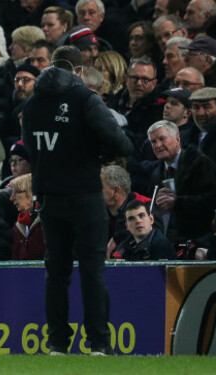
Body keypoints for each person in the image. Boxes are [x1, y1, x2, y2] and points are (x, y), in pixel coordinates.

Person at [21, 45, 133, 355]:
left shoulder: (33, 103)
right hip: (84, 194)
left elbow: (30, 148)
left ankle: (57, 343)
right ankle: (98, 343)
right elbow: (118, 141)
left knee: (56, 272)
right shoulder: (85, 98)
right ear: (79, 71)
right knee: (91, 270)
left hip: (49, 199)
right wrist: (101, 152)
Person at [143, 120, 216, 245]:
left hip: (198, 239)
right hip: (167, 241)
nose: (157, 145)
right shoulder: (156, 173)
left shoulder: (200, 163)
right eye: (153, 142)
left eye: (162, 139)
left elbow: (212, 202)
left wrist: (178, 202)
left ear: (178, 139)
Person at [111, 200, 177, 261]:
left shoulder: (163, 247)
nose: (138, 221)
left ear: (151, 219)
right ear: (127, 226)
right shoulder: (124, 245)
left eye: (141, 216)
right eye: (131, 218)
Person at [10, 174, 45, 260]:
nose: (11, 198)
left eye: (16, 192)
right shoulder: (19, 225)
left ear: (31, 193)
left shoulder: (48, 222)